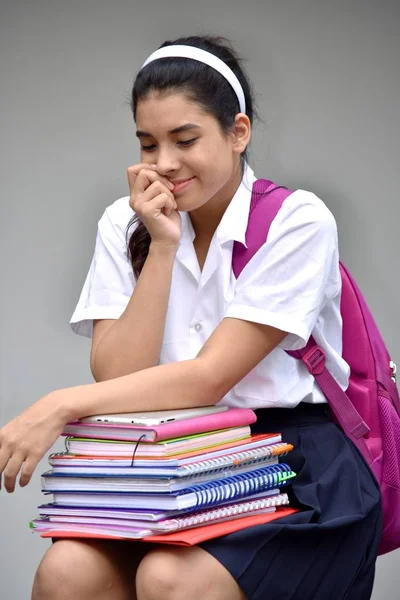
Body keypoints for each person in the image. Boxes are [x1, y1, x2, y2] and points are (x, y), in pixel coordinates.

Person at [0, 35, 382, 600]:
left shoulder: (297, 221)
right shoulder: (125, 222)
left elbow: (210, 378)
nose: (164, 164)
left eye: (185, 139)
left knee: (167, 579)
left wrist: (61, 404)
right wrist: (160, 245)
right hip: (176, 461)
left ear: (238, 133)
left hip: (292, 468)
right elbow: (119, 375)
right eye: (148, 143)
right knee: (67, 573)